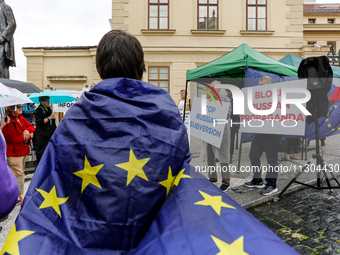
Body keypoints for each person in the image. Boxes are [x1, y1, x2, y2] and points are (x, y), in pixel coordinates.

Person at [245, 76, 279, 196]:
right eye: (259, 85)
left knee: (272, 160)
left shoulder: (276, 97)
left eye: (262, 85)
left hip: (272, 134)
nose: (259, 87)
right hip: (260, 133)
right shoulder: (257, 98)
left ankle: (272, 184)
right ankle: (257, 180)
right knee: (253, 155)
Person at [2, 105, 35, 205]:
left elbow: (32, 127)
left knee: (18, 174)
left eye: (21, 106)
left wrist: (26, 130)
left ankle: (14, 197)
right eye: (19, 107)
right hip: (14, 153)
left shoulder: (20, 118)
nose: (21, 108)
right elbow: (13, 139)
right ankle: (22, 199)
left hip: (23, 151)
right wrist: (29, 136)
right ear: (12, 109)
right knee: (19, 175)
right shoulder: (8, 121)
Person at [205, 80, 232, 191]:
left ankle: (226, 181)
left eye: (212, 87)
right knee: (210, 156)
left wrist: (213, 100)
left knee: (223, 157)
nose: (209, 89)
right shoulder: (207, 99)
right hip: (209, 131)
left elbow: (226, 114)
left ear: (219, 89)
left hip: (221, 132)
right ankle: (212, 178)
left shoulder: (225, 99)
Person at [34, 96, 56, 165]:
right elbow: (40, 121)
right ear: (42, 101)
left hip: (50, 134)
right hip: (42, 136)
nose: (48, 102)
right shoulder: (39, 110)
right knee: (41, 153)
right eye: (47, 100)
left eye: (49, 100)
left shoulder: (49, 109)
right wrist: (49, 117)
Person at [0, 0, 16, 78]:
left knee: (1, 66)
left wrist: (3, 37)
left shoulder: (5, 8)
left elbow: (12, 23)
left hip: (3, 42)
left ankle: (2, 87)